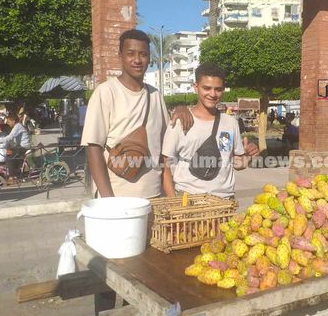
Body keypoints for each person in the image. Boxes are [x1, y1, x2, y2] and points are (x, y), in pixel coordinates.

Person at [81, 28, 193, 199]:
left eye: (143, 54)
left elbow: (166, 143)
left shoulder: (155, 95)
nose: (137, 60)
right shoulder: (106, 92)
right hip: (119, 197)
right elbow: (93, 147)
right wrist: (108, 200)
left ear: (149, 58)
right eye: (130, 54)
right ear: (120, 56)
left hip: (155, 195)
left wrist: (182, 109)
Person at [161, 63, 259, 198]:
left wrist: (249, 156)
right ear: (196, 87)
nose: (212, 94)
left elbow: (237, 164)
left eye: (218, 89)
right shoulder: (179, 122)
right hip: (188, 200)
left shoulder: (231, 123)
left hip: (225, 201)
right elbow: (164, 167)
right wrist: (174, 204)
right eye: (206, 88)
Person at [0, 114, 31, 179]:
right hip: (20, 146)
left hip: (24, 147)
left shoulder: (18, 126)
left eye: (9, 122)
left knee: (9, 157)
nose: (8, 123)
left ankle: (12, 177)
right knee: (10, 152)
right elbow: (11, 139)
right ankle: (16, 171)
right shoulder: (16, 126)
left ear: (13, 121)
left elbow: (10, 137)